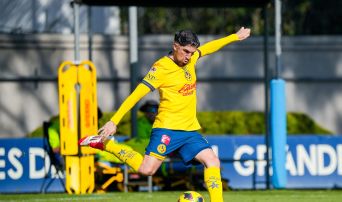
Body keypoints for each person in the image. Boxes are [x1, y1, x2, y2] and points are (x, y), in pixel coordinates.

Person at [80, 27, 251, 202]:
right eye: (185, 51)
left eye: (192, 53)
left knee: (213, 162)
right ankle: (107, 144)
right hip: (166, 129)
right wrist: (113, 121)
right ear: (175, 46)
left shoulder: (190, 60)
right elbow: (135, 95)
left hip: (189, 129)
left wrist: (234, 37)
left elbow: (208, 48)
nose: (188, 56)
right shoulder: (161, 68)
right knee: (147, 170)